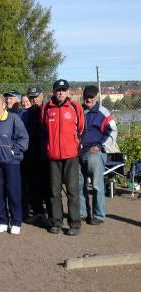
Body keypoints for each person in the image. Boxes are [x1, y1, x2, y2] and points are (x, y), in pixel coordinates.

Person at [41, 79, 85, 236]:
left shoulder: (75, 107)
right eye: (58, 90)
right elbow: (44, 129)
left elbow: (81, 129)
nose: (60, 92)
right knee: (54, 192)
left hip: (70, 156)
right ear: (53, 92)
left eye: (63, 90)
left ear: (68, 92)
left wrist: (75, 145)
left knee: (73, 191)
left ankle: (74, 224)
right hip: (53, 156)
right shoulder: (46, 108)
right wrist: (49, 147)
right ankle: (56, 223)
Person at [0, 95, 29, 235]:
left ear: (4, 105)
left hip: (11, 162)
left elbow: (23, 137)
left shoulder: (13, 119)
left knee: (13, 192)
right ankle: (3, 220)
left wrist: (13, 151)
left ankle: (16, 221)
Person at [79, 85, 118, 225]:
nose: (88, 99)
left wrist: (100, 146)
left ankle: (99, 215)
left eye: (91, 96)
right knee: (79, 184)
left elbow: (112, 131)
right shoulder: (79, 110)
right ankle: (82, 213)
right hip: (78, 152)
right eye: (86, 96)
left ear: (96, 97)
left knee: (96, 184)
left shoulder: (104, 112)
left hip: (94, 152)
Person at [20, 87, 49, 225]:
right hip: (30, 155)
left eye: (35, 97)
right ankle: (38, 212)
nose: (33, 100)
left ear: (42, 96)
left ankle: (52, 217)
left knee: (48, 187)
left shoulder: (48, 110)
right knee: (32, 186)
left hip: (46, 154)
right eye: (31, 97)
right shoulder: (25, 113)